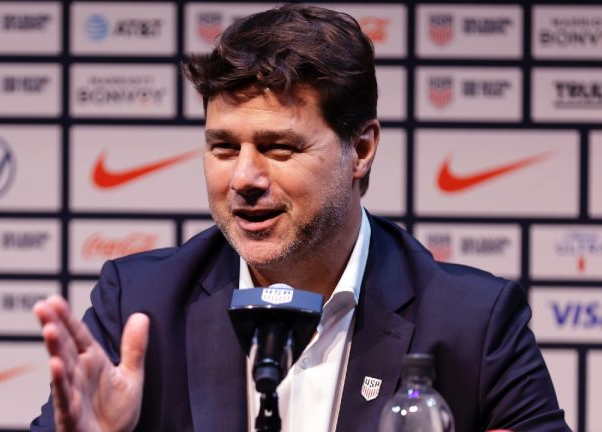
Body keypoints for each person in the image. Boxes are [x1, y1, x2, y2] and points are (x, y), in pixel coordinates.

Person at [31, 4, 569, 432]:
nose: (243, 177)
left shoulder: (473, 321)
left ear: (360, 149)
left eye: (278, 147)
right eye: (222, 146)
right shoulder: (140, 302)